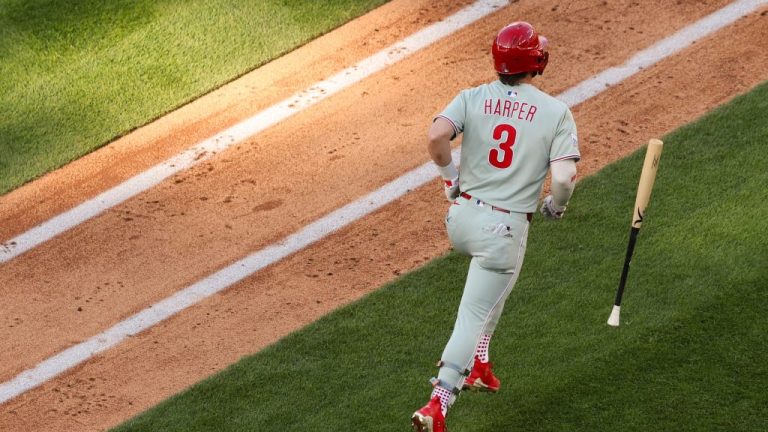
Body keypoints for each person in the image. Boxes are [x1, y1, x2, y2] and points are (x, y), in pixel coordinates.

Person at [411, 21, 580, 432]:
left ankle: (481, 361)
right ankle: (439, 401)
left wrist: (451, 178)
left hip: (461, 219)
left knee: (496, 285)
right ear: (534, 61)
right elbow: (562, 180)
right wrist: (557, 208)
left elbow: (437, 137)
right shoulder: (556, 113)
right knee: (475, 308)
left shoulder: (471, 97)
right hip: (503, 231)